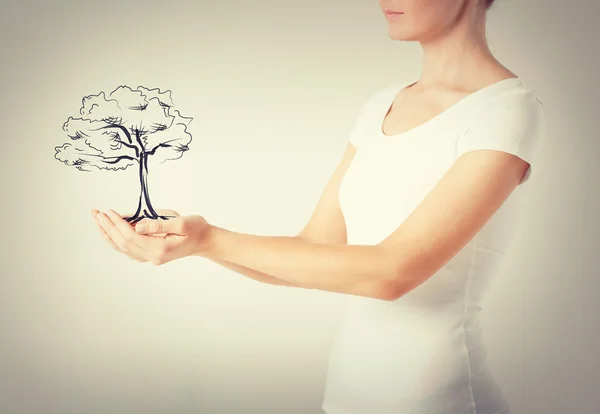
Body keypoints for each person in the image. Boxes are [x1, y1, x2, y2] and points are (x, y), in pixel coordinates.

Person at [91, 0, 546, 412]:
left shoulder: (504, 110)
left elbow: (391, 274)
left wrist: (213, 237)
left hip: (441, 401)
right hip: (346, 397)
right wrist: (197, 244)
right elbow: (314, 248)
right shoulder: (380, 105)